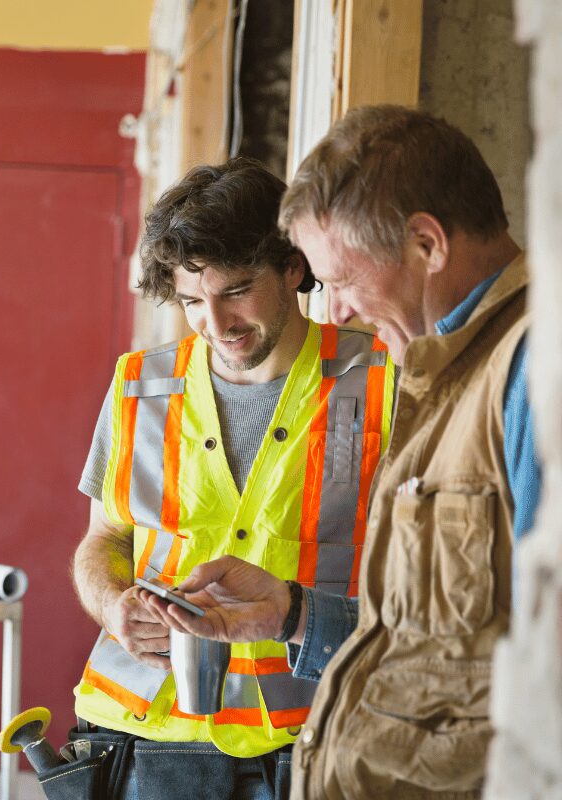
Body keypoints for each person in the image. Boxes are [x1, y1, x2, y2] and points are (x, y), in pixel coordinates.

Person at [142, 105, 542, 800]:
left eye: (343, 280)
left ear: (426, 244)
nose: (340, 312)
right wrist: (292, 614)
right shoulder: (442, 370)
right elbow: (441, 646)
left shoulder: (537, 373)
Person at [67, 157, 397, 800]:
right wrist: (113, 604)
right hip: (151, 732)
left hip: (318, 729)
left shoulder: (384, 380)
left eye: (236, 290)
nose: (215, 326)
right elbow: (102, 541)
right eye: (192, 301)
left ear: (293, 268)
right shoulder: (139, 385)